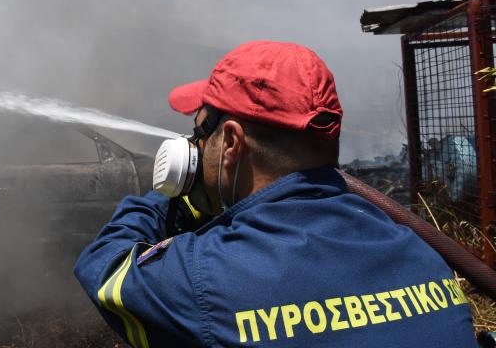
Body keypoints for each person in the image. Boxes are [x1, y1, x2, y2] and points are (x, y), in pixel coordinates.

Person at [74, 40, 477, 347]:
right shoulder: (421, 254)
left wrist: (169, 193)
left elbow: (104, 266)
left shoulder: (206, 278)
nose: (195, 146)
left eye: (200, 134)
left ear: (230, 143)